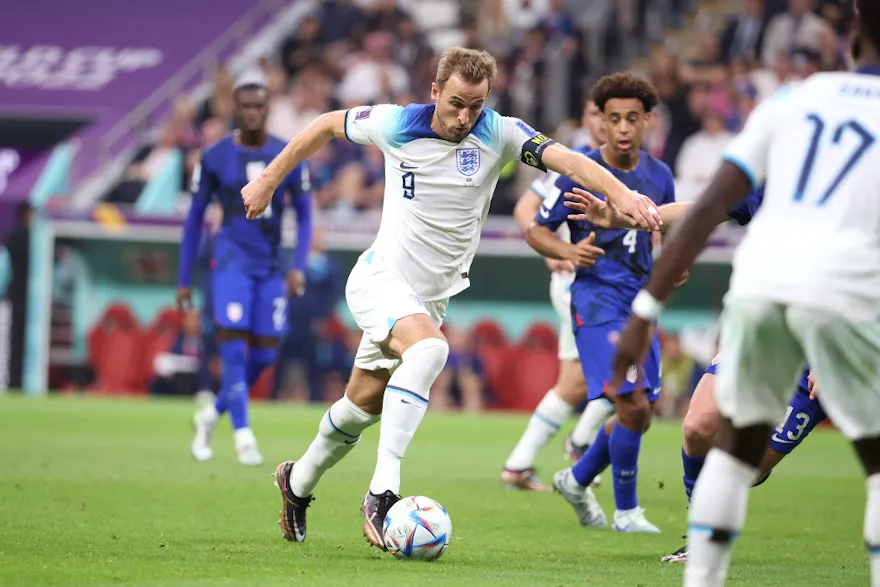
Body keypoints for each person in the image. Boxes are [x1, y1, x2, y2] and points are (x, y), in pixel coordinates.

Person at [239, 46, 662, 547]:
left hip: (428, 298)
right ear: (435, 91)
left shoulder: (500, 132)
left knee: (361, 407)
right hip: (380, 278)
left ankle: (298, 482)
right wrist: (267, 179)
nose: (465, 117)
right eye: (456, 103)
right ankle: (382, 494)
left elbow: (567, 159)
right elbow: (327, 124)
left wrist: (623, 195)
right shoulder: (396, 124)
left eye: (476, 106)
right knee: (431, 349)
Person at [604, 2, 880, 583]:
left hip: (847, 307)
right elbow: (715, 206)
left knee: (746, 463)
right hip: (779, 295)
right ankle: (697, 556)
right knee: (704, 430)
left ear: (853, 37)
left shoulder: (793, 101)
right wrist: (644, 275)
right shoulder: (791, 103)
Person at [566, 187, 829, 561]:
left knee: (747, 470)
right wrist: (623, 217)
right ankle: (702, 536)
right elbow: (702, 208)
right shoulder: (773, 184)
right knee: (698, 427)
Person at [526, 72, 674, 534]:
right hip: (596, 300)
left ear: (647, 120)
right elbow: (536, 228)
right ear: (601, 123)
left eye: (633, 118)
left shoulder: (660, 175)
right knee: (629, 402)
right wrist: (567, 252)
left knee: (641, 411)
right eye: (615, 119)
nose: (624, 128)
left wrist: (673, 263)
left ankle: (576, 479)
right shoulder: (580, 169)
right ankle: (626, 511)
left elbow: (664, 232)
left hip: (641, 303)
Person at [178, 81, 313, 466]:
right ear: (235, 110)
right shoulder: (215, 156)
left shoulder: (287, 153)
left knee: (266, 354)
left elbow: (304, 216)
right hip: (231, 263)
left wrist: (298, 266)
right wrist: (184, 278)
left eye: (259, 106)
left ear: (268, 109)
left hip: (271, 268)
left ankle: (211, 415)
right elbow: (193, 220)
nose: (253, 112)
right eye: (245, 106)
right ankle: (243, 435)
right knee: (233, 348)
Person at [501, 98, 615, 492]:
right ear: (587, 120)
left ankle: (519, 464)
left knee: (575, 381)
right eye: (600, 115)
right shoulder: (573, 162)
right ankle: (582, 445)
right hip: (579, 283)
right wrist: (554, 253)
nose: (608, 124)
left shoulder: (631, 165)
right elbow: (525, 209)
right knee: (625, 367)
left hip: (609, 286)